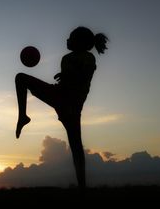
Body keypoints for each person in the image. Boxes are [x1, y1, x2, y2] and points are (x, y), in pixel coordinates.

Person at [15, 26, 109, 189]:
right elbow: (68, 80)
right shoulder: (66, 58)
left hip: (72, 105)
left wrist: (68, 76)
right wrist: (65, 77)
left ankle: (82, 187)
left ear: (79, 42)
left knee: (76, 146)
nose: (67, 39)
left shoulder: (88, 58)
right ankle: (23, 116)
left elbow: (84, 76)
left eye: (71, 37)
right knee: (20, 78)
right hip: (58, 95)